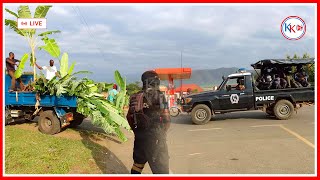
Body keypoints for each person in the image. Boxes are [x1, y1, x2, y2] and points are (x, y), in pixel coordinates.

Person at [126, 70, 171, 174]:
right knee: (161, 169)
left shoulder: (134, 97)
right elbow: (167, 118)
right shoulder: (160, 96)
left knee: (138, 164)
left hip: (140, 137)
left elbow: (129, 117)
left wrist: (137, 131)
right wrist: (162, 133)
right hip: (156, 136)